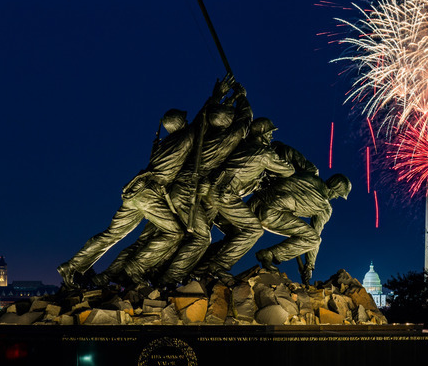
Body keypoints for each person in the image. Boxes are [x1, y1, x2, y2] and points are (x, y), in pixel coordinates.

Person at [98, 79, 251, 286]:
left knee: (152, 238)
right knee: (200, 239)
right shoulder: (225, 138)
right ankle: (165, 279)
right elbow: (244, 122)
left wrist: (223, 97)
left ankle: (109, 275)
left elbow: (204, 119)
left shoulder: (193, 138)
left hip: (167, 192)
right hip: (184, 192)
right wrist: (242, 98)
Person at [56, 106, 195, 287]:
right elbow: (198, 123)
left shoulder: (165, 144)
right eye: (184, 120)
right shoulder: (184, 138)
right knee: (175, 233)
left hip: (135, 191)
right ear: (180, 123)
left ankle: (71, 265)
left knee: (111, 235)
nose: (187, 122)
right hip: (149, 194)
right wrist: (216, 97)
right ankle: (135, 268)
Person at [162, 117, 295, 282]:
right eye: (269, 134)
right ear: (261, 135)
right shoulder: (264, 153)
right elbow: (288, 171)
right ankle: (219, 266)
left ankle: (199, 269)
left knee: (234, 233)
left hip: (210, 192)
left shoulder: (242, 146)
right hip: (224, 195)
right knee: (254, 230)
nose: (271, 137)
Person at [251, 172, 351, 283]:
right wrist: (309, 266)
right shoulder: (325, 207)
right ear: (333, 190)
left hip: (256, 202)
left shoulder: (308, 176)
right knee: (313, 239)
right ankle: (269, 254)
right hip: (270, 214)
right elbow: (315, 234)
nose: (336, 197)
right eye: (338, 194)